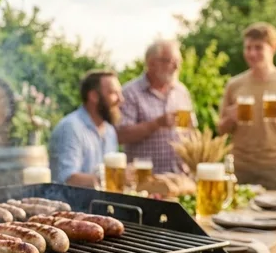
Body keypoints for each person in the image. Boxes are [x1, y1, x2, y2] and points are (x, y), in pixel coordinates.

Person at [218, 22, 276, 191]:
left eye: (258, 48)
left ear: (273, 48)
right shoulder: (234, 84)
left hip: (275, 167)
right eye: (248, 48)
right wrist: (230, 119)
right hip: (240, 167)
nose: (252, 53)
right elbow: (221, 130)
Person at [117, 40, 193, 174]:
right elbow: (121, 135)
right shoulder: (130, 93)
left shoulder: (181, 91)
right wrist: (157, 124)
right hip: (144, 179)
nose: (176, 67)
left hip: (178, 177)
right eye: (171, 61)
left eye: (178, 61)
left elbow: (191, 132)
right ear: (151, 63)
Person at [49, 69, 122, 187]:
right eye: (113, 93)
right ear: (94, 96)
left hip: (100, 203)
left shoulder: (109, 130)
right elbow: (68, 179)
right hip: (70, 203)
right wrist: (116, 177)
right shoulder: (71, 127)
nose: (121, 99)